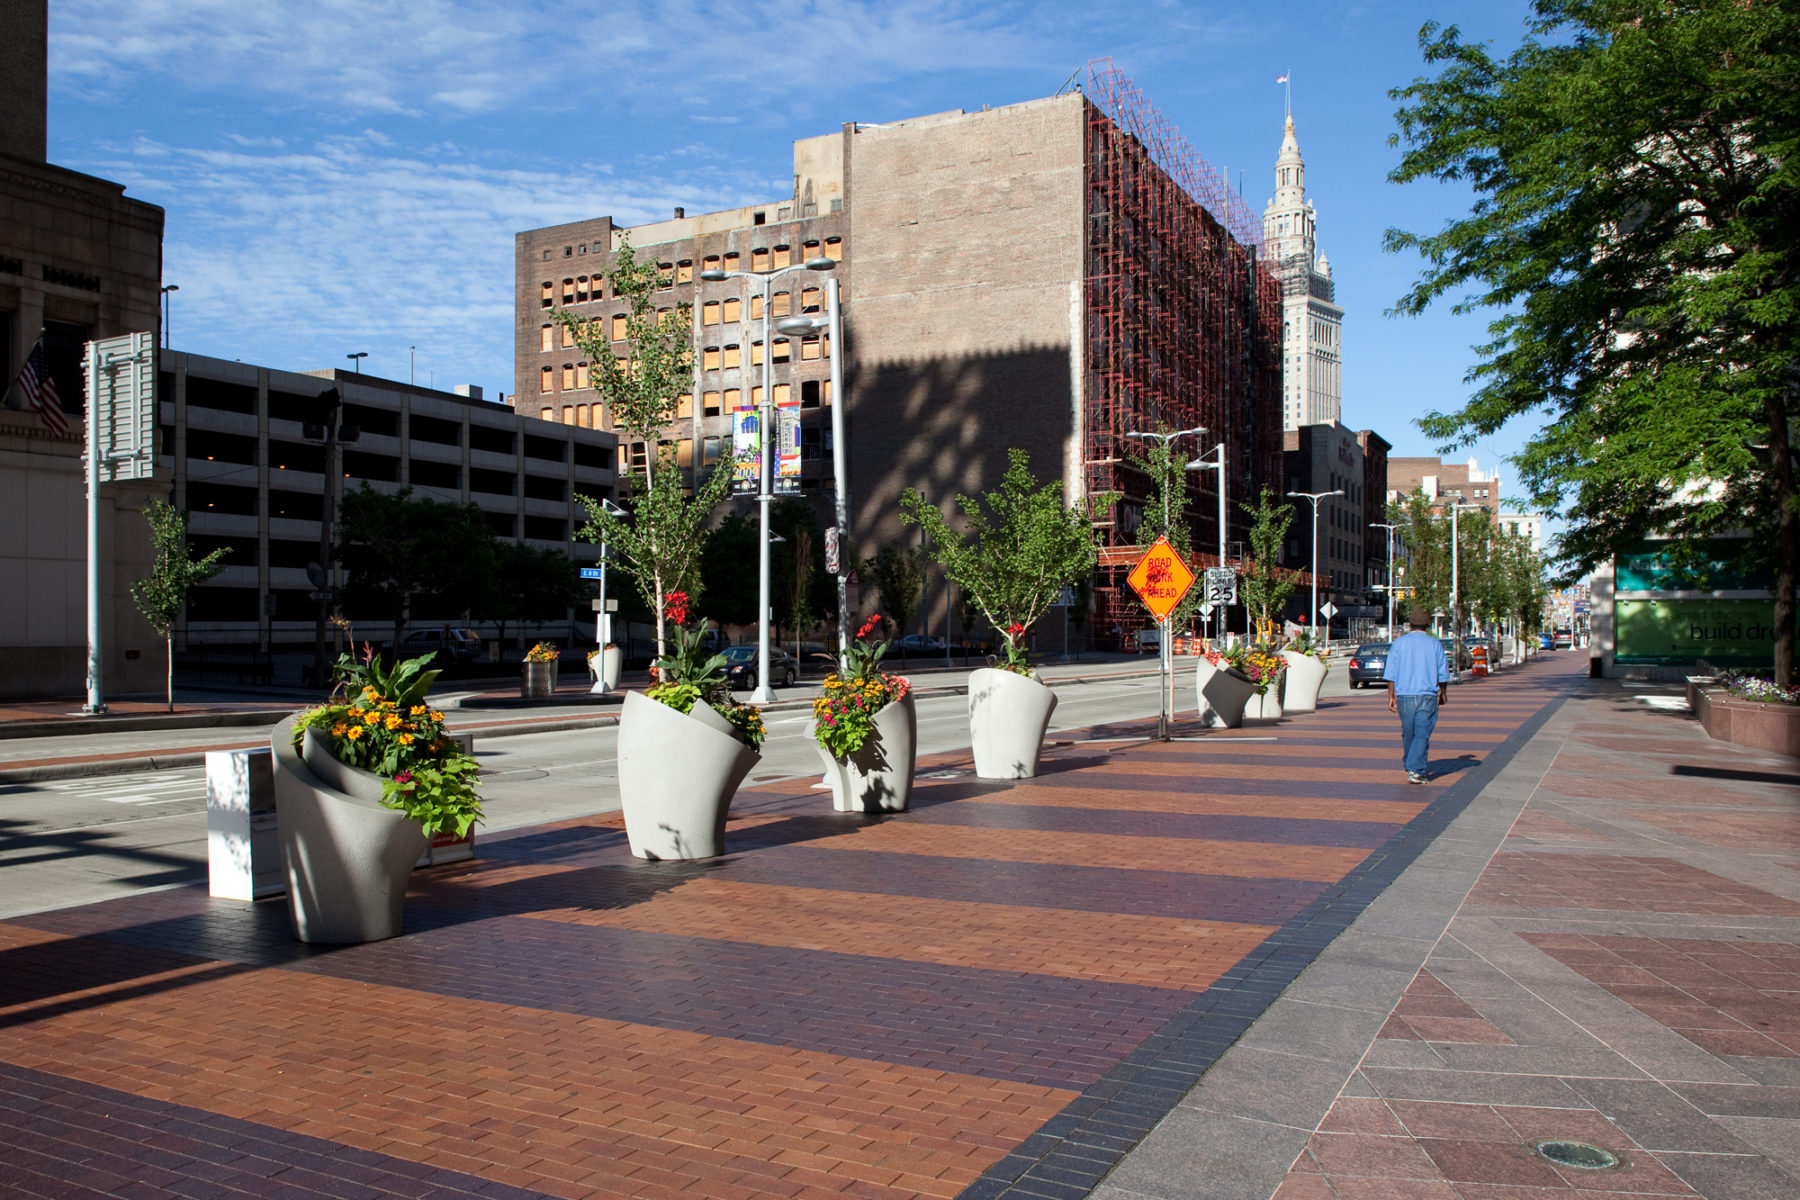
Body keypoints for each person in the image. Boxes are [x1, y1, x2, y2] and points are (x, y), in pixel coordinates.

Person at [1382, 606, 1450, 784]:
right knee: (1422, 733)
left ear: (1410, 624)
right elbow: (1442, 673)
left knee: (1408, 732)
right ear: (1427, 625)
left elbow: (1391, 673)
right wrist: (1443, 694)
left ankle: (1411, 764)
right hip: (1427, 695)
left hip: (1404, 695)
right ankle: (1415, 769)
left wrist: (1391, 696)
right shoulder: (1434, 644)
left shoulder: (1399, 643)